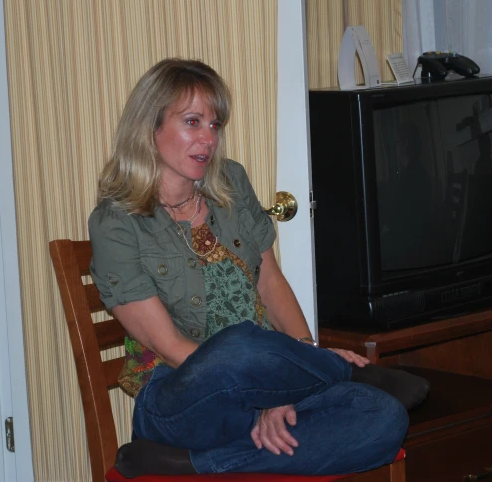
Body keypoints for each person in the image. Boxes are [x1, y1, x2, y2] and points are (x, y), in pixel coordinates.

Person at [88, 58, 427, 477]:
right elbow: (171, 347)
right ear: (150, 127)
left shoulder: (230, 183)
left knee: (384, 417)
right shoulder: (115, 223)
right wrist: (271, 387)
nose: (207, 139)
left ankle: (193, 466)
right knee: (238, 346)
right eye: (193, 122)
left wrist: (291, 368)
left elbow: (270, 281)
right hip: (179, 401)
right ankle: (341, 372)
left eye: (215, 125)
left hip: (257, 391)